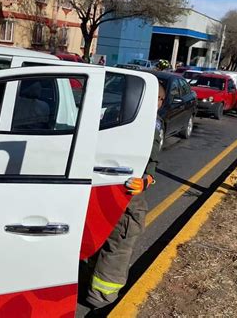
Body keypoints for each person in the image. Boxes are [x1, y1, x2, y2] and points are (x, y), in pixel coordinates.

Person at [86, 82, 165, 309]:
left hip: (100, 187)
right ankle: (101, 298)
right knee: (118, 245)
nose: (157, 105)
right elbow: (152, 162)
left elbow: (150, 166)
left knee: (97, 239)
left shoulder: (112, 113)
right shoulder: (152, 125)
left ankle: (90, 286)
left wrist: (147, 180)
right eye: (157, 100)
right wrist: (147, 180)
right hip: (123, 194)